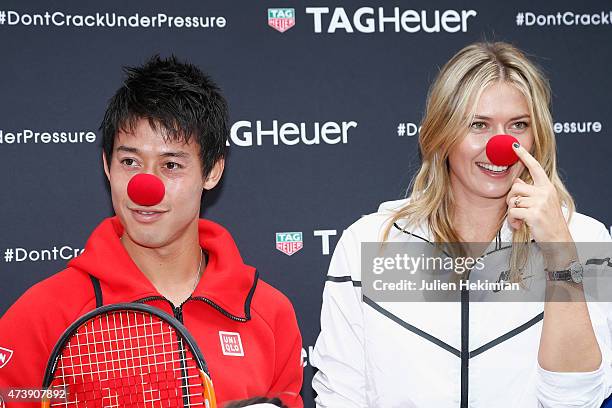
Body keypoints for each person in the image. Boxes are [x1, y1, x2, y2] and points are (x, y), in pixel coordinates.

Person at [311, 42, 612, 407]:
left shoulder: (584, 239)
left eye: (518, 125)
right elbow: (341, 396)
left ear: (538, 137)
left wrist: (559, 253)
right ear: (441, 133)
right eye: (478, 125)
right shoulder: (371, 243)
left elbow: (577, 399)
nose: (501, 146)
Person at [0, 55, 303, 407]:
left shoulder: (268, 313)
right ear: (106, 165)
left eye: (171, 165)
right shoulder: (44, 315)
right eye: (129, 162)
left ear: (212, 172)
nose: (145, 187)